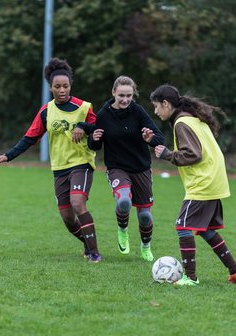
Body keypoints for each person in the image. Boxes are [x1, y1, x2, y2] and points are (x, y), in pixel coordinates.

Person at [0, 57, 101, 263]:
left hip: (81, 163)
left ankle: (95, 253)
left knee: (77, 203)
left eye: (66, 86)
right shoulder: (46, 112)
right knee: (68, 218)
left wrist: (83, 126)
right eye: (57, 87)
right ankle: (88, 244)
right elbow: (29, 138)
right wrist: (8, 155)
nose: (62, 90)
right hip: (59, 168)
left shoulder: (84, 107)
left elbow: (98, 130)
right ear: (50, 88)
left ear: (71, 85)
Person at [149, 84, 236, 285]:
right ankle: (234, 270)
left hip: (203, 182)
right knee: (205, 229)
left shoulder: (182, 123)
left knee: (183, 227)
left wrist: (168, 155)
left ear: (165, 104)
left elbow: (193, 154)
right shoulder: (192, 119)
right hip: (214, 180)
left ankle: (190, 277)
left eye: (156, 106)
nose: (155, 111)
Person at [87, 75, 164, 261]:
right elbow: (94, 146)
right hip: (117, 168)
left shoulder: (137, 111)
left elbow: (159, 139)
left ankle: (146, 246)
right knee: (123, 201)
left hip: (141, 168)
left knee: (145, 216)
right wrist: (94, 139)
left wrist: (149, 139)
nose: (125, 99)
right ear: (113, 92)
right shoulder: (104, 115)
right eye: (121, 95)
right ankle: (122, 230)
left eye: (129, 95)